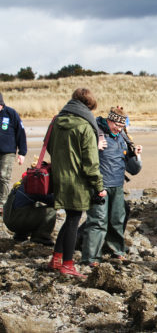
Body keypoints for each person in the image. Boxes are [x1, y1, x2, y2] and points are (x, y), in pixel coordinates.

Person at [46, 88, 107, 278]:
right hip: (77, 180)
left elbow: (49, 145)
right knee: (73, 220)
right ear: (89, 106)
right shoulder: (86, 126)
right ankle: (68, 264)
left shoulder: (57, 121)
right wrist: (99, 187)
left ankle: (56, 258)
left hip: (59, 176)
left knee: (69, 218)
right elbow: (91, 162)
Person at [80, 107, 143, 267]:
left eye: (122, 126)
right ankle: (91, 258)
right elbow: (82, 154)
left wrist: (135, 155)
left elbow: (134, 169)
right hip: (98, 185)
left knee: (117, 219)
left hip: (117, 185)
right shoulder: (95, 132)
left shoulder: (122, 136)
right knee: (98, 221)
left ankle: (116, 251)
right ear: (110, 120)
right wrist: (95, 145)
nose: (119, 129)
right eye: (116, 125)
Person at [2, 177, 56, 245]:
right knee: (51, 211)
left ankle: (20, 235)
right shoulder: (36, 186)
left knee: (34, 206)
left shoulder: (24, 183)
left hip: (8, 217)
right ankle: (40, 238)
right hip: (16, 220)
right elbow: (53, 200)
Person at [0, 92, 27, 214]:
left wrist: (22, 153)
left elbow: (21, 133)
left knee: (3, 176)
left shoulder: (11, 114)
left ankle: (3, 203)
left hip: (8, 152)